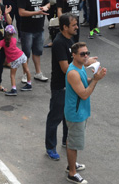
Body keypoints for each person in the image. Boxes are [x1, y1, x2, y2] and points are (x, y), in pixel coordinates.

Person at [65, 42, 107, 184]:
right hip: (76, 113)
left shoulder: (80, 67)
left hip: (80, 111)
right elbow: (83, 94)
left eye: (87, 53)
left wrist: (94, 77)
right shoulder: (72, 72)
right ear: (74, 55)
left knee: (72, 140)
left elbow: (84, 81)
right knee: (73, 143)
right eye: (82, 54)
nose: (86, 56)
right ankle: (72, 173)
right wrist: (95, 80)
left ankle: (72, 164)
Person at [45, 13, 79, 161]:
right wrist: (82, 64)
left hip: (69, 86)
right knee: (55, 118)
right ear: (65, 27)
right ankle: (50, 147)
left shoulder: (69, 39)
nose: (77, 27)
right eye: (74, 25)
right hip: (60, 87)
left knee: (68, 117)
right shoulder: (59, 42)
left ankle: (67, 140)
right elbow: (65, 68)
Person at [18, 0, 50, 83]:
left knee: (37, 52)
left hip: (39, 28)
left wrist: (45, 7)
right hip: (27, 30)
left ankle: (38, 73)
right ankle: (25, 74)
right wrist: (37, 12)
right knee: (26, 53)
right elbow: (21, 12)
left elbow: (48, 3)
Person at [0, 24, 32, 96]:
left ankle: (14, 89)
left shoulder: (2, 42)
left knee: (12, 75)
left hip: (14, 59)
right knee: (27, 70)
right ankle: (29, 84)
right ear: (13, 33)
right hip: (22, 55)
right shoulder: (14, 40)